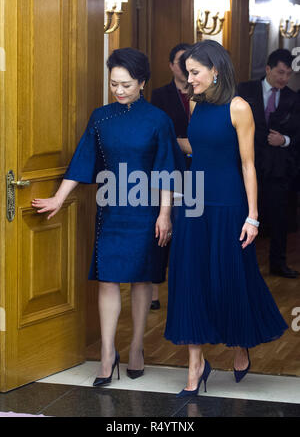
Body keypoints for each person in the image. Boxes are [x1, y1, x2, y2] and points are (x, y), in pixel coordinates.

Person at [32, 47, 184, 386]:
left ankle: (136, 348)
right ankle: (106, 353)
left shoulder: (159, 120)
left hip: (147, 212)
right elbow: (83, 158)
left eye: (126, 85)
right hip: (111, 209)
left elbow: (167, 172)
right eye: (114, 83)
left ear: (142, 82)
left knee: (143, 279)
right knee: (108, 278)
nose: (118, 91)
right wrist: (59, 197)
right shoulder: (100, 117)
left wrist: (165, 215)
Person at [164, 40, 288, 397]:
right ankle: (195, 366)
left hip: (230, 205)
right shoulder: (195, 104)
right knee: (190, 279)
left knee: (230, 277)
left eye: (195, 72)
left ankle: (239, 346)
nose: (189, 79)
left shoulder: (239, 108)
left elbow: (247, 165)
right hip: (195, 203)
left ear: (215, 70)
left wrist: (253, 217)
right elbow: (198, 148)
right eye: (188, 73)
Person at [238, 49, 300, 278]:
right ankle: (243, 264)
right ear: (268, 69)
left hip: (277, 169)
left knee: (279, 219)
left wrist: (283, 140)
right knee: (244, 216)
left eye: (288, 74)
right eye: (280, 72)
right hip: (247, 164)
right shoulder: (244, 90)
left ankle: (278, 264)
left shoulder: (294, 98)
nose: (284, 78)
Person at [150, 43, 191, 310]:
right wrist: (181, 143)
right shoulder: (160, 94)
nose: (185, 67)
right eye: (180, 61)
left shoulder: (206, 93)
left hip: (199, 169)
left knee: (188, 229)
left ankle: (184, 288)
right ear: (171, 65)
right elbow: (159, 135)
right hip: (168, 167)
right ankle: (154, 292)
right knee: (163, 228)